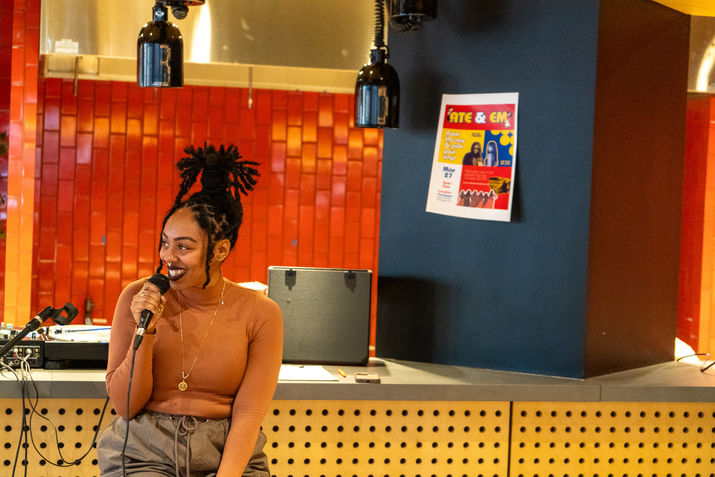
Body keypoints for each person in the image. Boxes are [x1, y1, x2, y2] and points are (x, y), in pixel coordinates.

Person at [97, 144, 283, 477]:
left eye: (183, 247)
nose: (168, 256)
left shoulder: (261, 313)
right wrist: (146, 330)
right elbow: (125, 405)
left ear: (220, 250)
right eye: (165, 242)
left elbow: (248, 414)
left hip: (225, 452)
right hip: (144, 452)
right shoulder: (137, 297)